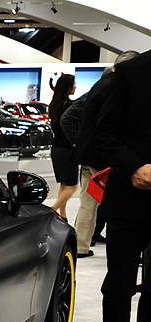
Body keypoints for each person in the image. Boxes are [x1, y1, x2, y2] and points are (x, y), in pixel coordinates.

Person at [86, 49, 151, 322]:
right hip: (129, 200)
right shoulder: (131, 72)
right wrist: (134, 167)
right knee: (118, 289)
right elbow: (104, 134)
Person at [61, 52, 139, 257]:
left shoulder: (99, 85)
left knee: (89, 201)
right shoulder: (114, 87)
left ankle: (81, 245)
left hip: (89, 154)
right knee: (105, 203)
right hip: (102, 155)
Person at [48, 73, 77, 222]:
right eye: (73, 84)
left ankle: (63, 216)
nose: (75, 86)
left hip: (56, 149)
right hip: (67, 150)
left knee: (64, 185)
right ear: (68, 87)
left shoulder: (54, 105)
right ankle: (52, 211)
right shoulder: (70, 106)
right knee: (72, 186)